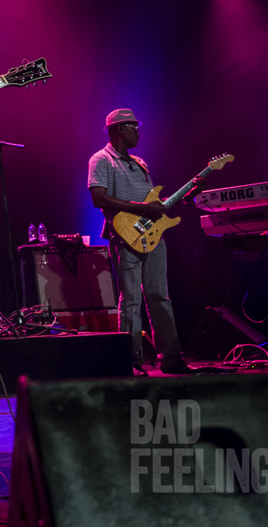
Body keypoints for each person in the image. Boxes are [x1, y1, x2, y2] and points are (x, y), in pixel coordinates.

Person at [87, 108, 198, 376]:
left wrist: (186, 194)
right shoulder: (101, 160)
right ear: (118, 129)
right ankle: (130, 361)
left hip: (153, 235)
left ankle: (171, 358)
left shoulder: (140, 162)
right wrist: (141, 209)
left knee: (160, 296)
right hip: (124, 235)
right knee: (131, 299)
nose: (138, 131)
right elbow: (98, 199)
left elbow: (154, 204)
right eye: (133, 127)